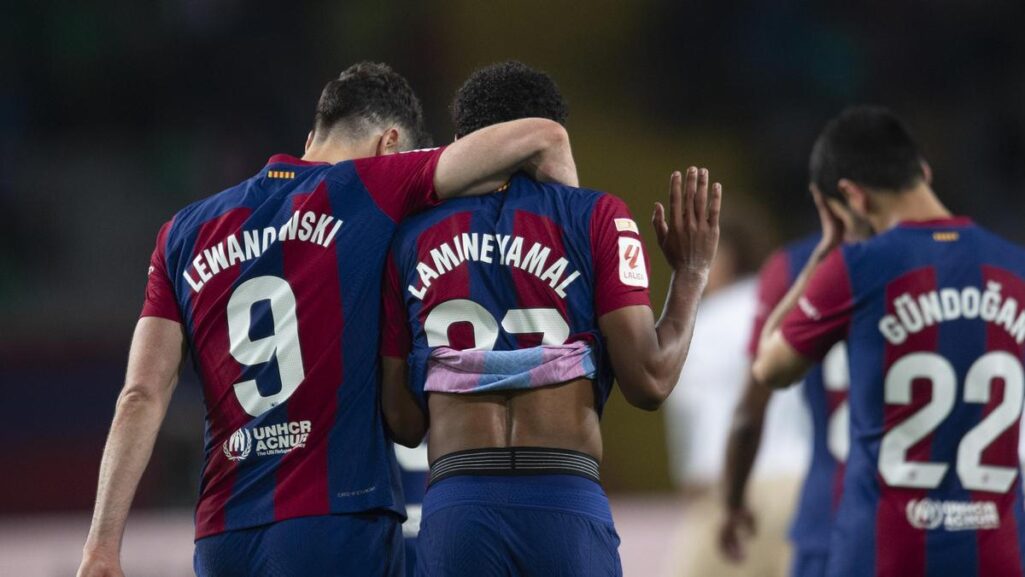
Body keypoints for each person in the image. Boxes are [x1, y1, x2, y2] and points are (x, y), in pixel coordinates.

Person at [77, 61, 579, 577]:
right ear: (390, 144)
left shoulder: (182, 233)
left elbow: (140, 395)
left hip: (223, 536)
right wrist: (573, 260)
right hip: (336, 522)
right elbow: (540, 136)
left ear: (311, 137)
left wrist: (102, 546)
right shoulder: (370, 184)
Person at [379, 61, 722, 577]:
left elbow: (403, 423)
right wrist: (691, 273)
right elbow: (650, 381)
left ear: (463, 144)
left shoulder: (409, 237)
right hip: (564, 502)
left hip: (459, 505)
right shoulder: (596, 216)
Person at [753, 105, 1025, 577]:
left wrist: (822, 255)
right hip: (996, 551)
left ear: (852, 197)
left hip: (884, 553)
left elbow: (769, 368)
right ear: (923, 171)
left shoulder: (857, 267)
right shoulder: (1015, 266)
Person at [719, 209, 871, 577]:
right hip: (926, 520)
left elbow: (750, 410)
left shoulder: (794, 265)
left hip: (828, 514)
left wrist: (734, 501)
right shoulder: (945, 258)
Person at [663, 220, 810, 577]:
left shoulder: (704, 321)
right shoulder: (792, 310)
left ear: (731, 256)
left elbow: (687, 409)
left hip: (729, 485)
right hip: (799, 483)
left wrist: (691, 474)